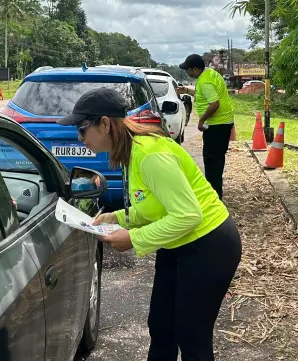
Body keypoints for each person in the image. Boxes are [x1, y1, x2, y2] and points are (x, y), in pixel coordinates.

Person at [58, 87, 242, 361]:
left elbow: (188, 215)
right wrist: (117, 217)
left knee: (192, 336)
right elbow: (154, 204)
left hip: (208, 244)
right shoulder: (132, 151)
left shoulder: (150, 154)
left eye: (82, 129)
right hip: (178, 243)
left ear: (105, 124)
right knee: (161, 327)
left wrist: (133, 238)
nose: (79, 138)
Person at [179, 53, 235, 200]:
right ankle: (216, 193)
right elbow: (203, 94)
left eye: (188, 69)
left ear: (195, 69)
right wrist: (186, 90)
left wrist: (201, 120)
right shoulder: (210, 74)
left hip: (216, 125)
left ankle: (214, 197)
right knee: (217, 160)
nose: (187, 72)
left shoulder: (205, 82)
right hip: (224, 122)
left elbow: (214, 104)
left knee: (212, 162)